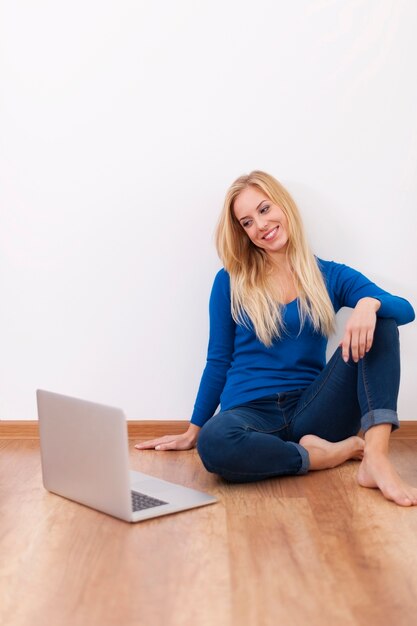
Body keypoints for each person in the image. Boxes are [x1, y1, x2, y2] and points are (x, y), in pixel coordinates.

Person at [136, 171, 416, 506]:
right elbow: (218, 359)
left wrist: (369, 304)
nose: (260, 225)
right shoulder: (230, 281)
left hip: (314, 409)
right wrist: (194, 430)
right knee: (215, 442)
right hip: (249, 414)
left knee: (381, 319)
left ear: (283, 205)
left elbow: (405, 310)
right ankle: (320, 456)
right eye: (247, 222)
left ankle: (376, 458)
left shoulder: (329, 275)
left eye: (265, 209)